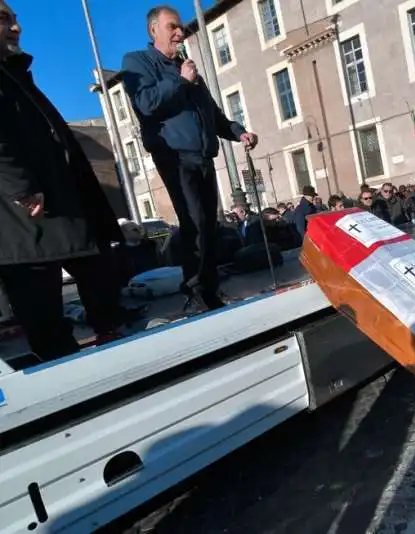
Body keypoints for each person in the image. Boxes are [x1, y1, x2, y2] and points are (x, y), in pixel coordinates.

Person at [0, 2, 128, 360]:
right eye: (3, 19)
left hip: (59, 206)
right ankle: (68, 374)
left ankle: (110, 341)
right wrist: (21, 186)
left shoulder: (13, 73)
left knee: (101, 276)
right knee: (43, 312)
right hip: (25, 217)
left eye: (15, 19)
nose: (15, 28)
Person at [121, 6, 258, 310]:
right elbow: (146, 103)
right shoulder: (138, 62)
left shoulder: (186, 68)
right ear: (153, 30)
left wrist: (238, 132)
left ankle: (209, 288)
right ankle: (195, 291)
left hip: (203, 155)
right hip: (174, 156)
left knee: (209, 223)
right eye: (172, 27)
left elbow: (212, 111)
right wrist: (180, 81)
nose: (179, 33)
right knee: (193, 221)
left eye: (180, 27)